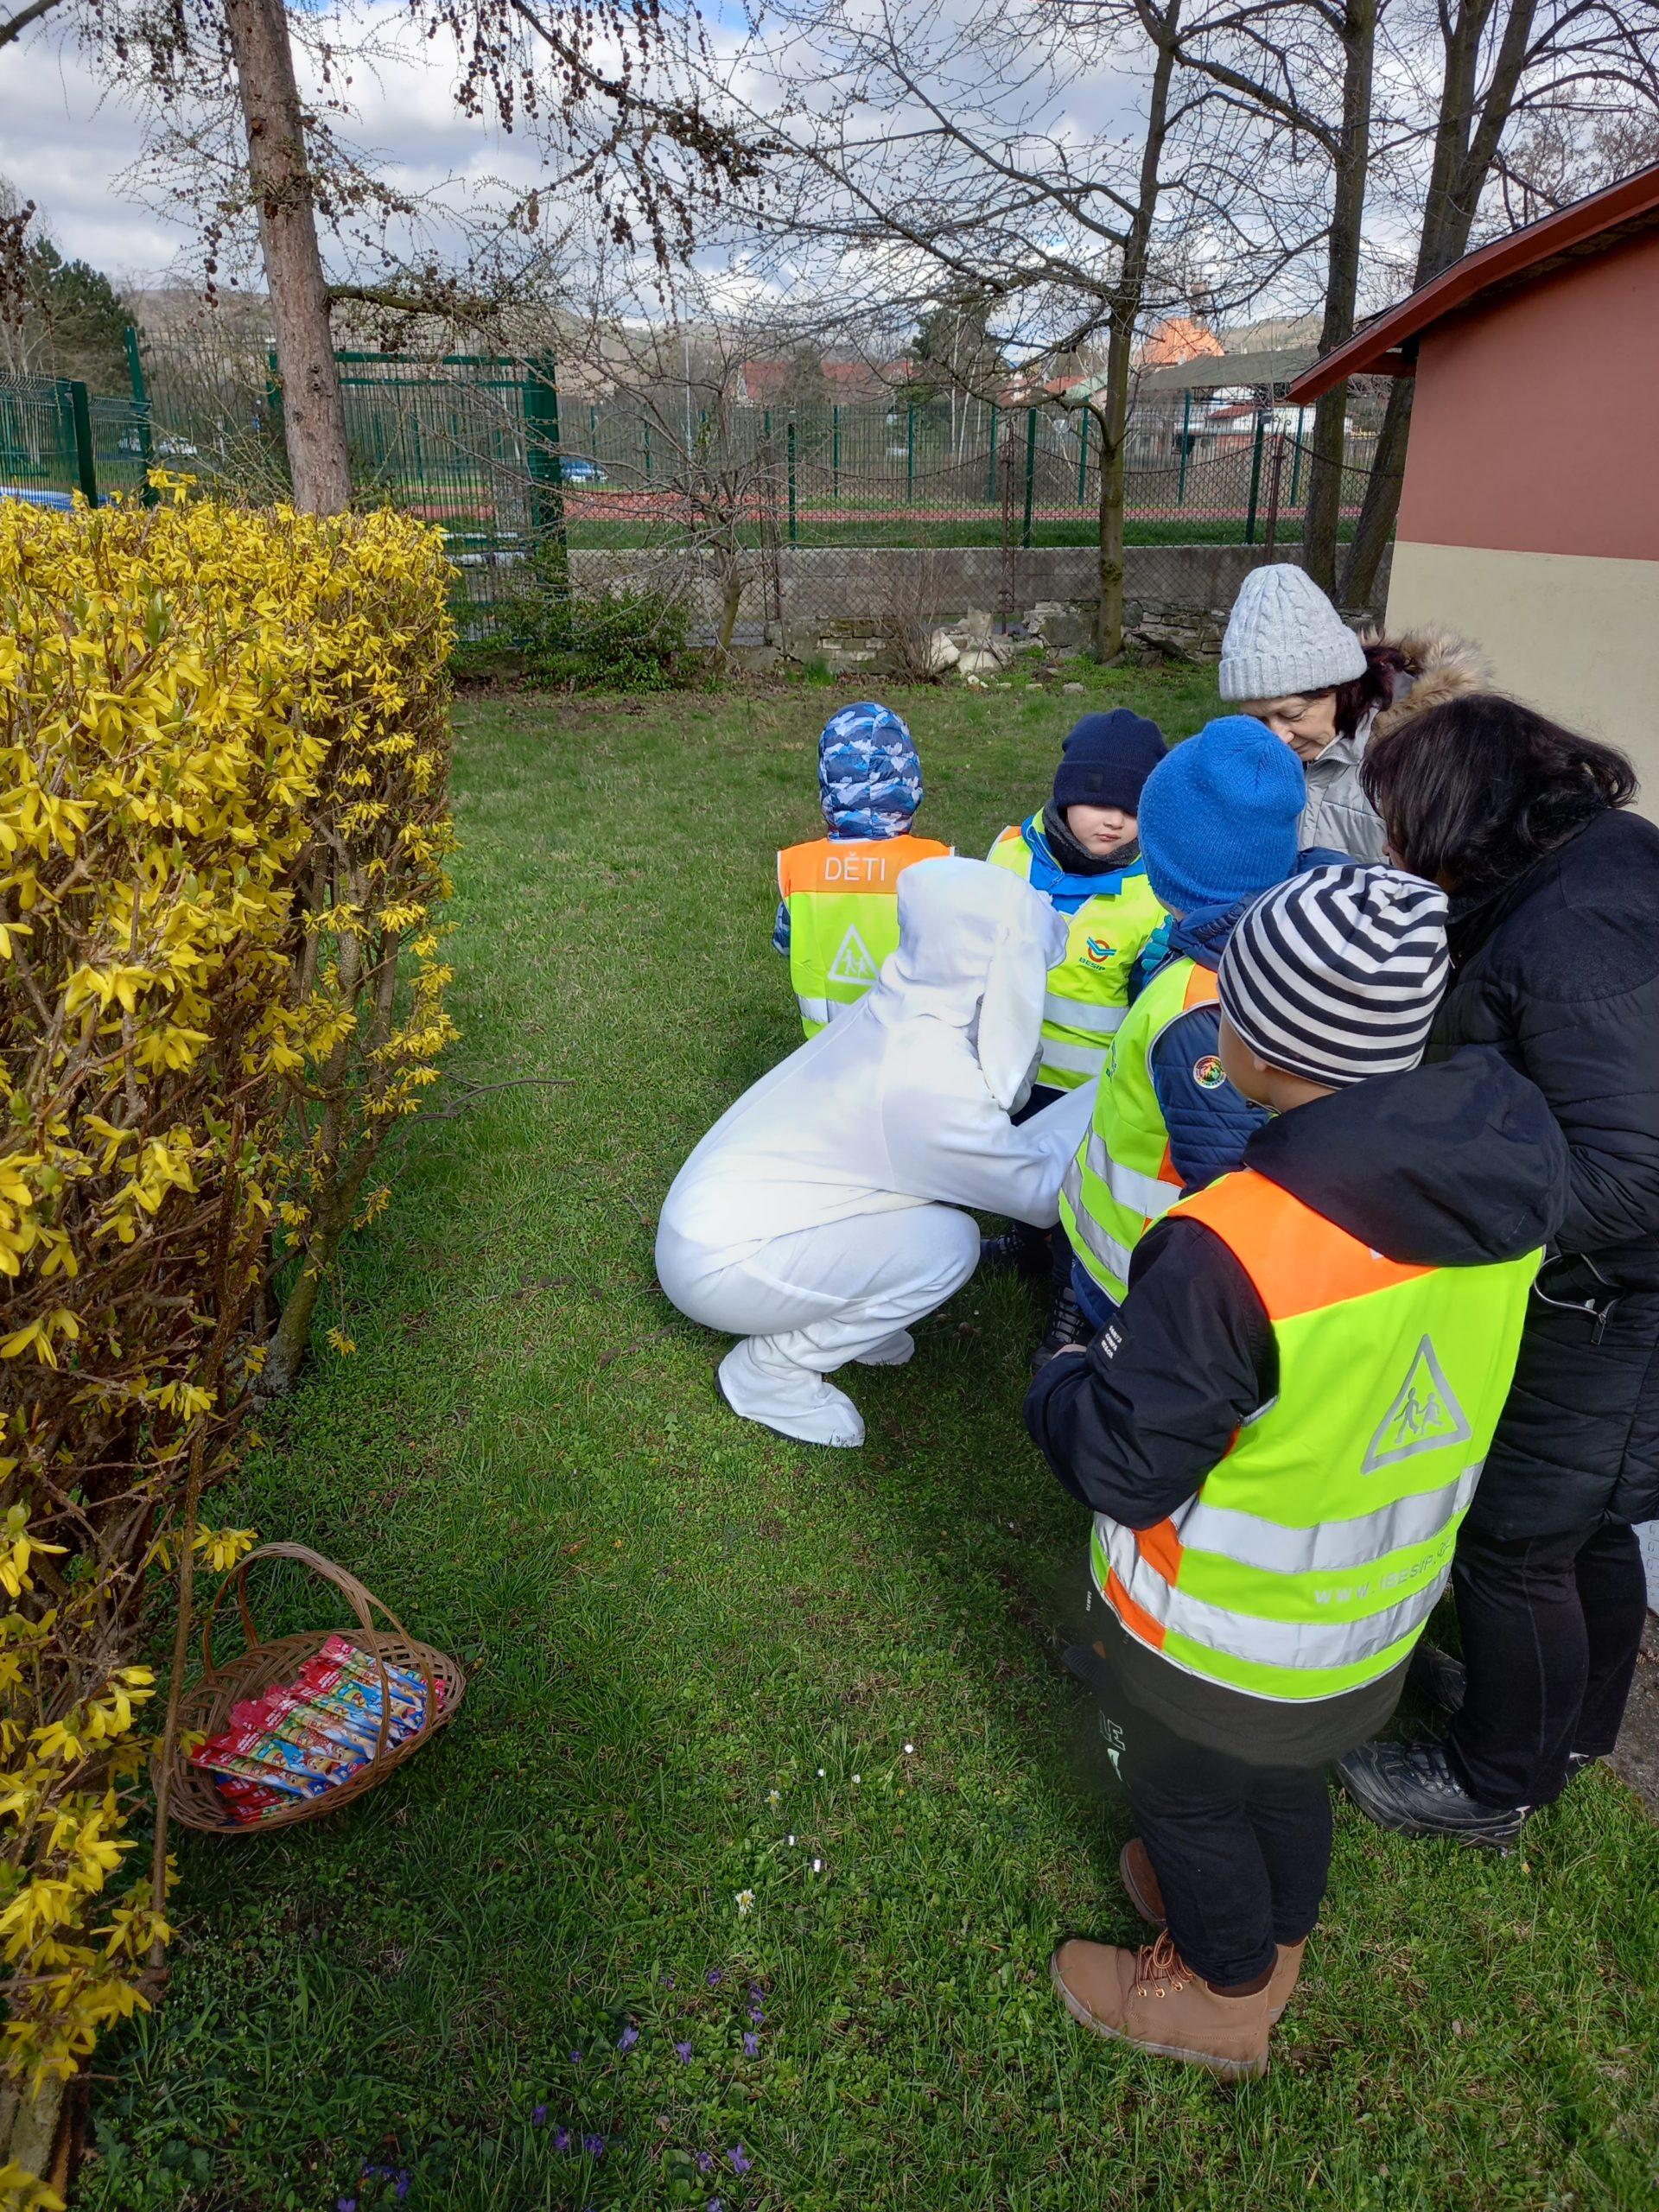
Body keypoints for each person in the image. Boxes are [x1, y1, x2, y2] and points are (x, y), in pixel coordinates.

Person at [1027, 866, 1567, 2079]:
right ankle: (1274, 1933)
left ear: (1260, 1047)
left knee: (1189, 1796)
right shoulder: (1498, 1182)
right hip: (1368, 1623)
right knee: (1285, 1781)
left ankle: (1221, 1991)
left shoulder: (1235, 1244)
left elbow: (1123, 1459)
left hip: (1215, 1644)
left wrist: (1060, 1372)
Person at [1335, 696, 1659, 1847]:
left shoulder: (1572, 941)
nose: (1392, 847)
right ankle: (1568, 1727)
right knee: (1593, 1522)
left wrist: (1452, 1213)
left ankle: (1495, 1778)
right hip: (1608, 1283)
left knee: (1518, 1536)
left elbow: (1635, 1172)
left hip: (1608, 1296)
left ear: (1465, 817)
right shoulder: (1585, 867)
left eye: (1400, 823)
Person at [658, 858, 1096, 1448]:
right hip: (725, 1264)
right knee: (949, 1246)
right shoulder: (928, 1077)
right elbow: (1040, 1195)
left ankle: (852, 1315)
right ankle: (772, 1370)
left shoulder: (903, 1005)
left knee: (930, 1224)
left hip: (716, 1224)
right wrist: (1112, 1091)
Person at [1051, 715, 1306, 1362]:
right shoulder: (1220, 951)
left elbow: (1222, 1169)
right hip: (1119, 1251)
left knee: (1115, 1406)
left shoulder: (1201, 1010)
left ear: (1167, 863)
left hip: (1145, 1268)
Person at [981, 709, 1168, 1335]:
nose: (1115, 820)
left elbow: (1148, 1003)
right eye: (1098, 801)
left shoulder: (1149, 896)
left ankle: (1070, 1294)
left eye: (1133, 808)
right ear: (1065, 796)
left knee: (1080, 1197)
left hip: (1091, 1094)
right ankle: (1025, 1245)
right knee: (1014, 1164)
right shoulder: (1008, 855)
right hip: (1007, 1067)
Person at [1217, 563, 1490, 861]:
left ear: (1342, 686)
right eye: (1258, 718)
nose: (1277, 737)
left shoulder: (1426, 759)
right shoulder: (1247, 755)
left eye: (1293, 714)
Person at [774, 701, 950, 1037]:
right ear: (908, 779)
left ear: (829, 781)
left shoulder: (802, 866)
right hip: (909, 1049)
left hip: (826, 1051)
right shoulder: (934, 864)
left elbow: (786, 942)